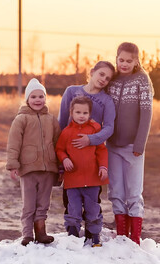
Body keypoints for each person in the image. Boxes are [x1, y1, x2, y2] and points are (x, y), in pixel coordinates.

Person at [58, 61, 116, 239]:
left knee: (92, 199)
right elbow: (61, 123)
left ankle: (92, 232)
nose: (103, 80)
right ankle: (72, 232)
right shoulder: (71, 91)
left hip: (92, 154)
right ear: (92, 72)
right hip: (71, 155)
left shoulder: (107, 100)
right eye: (101, 74)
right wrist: (62, 160)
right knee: (71, 199)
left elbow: (109, 127)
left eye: (107, 78)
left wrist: (91, 139)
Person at [107, 42, 154, 245]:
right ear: (116, 58)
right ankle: (121, 234)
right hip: (112, 145)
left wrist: (139, 144)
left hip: (133, 147)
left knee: (133, 191)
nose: (124, 64)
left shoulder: (142, 80)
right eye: (121, 60)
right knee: (116, 190)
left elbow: (146, 113)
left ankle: (134, 239)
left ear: (136, 61)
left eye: (129, 61)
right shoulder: (113, 80)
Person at [6, 78, 61, 246]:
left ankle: (41, 232)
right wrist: (13, 165)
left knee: (43, 203)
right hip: (28, 169)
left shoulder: (51, 119)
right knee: (29, 204)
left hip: (47, 170)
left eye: (41, 96)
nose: (38, 100)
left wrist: (59, 165)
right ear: (27, 100)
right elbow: (13, 143)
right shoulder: (21, 119)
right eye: (34, 97)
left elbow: (58, 142)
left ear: (45, 98)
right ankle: (27, 234)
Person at [56, 96, 109, 247]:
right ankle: (73, 235)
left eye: (85, 113)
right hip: (73, 180)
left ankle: (94, 234)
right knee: (73, 208)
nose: (81, 116)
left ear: (90, 114)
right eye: (78, 112)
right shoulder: (66, 132)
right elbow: (59, 149)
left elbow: (101, 150)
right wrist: (64, 158)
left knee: (93, 208)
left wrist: (103, 167)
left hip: (92, 179)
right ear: (71, 112)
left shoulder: (95, 129)